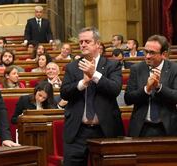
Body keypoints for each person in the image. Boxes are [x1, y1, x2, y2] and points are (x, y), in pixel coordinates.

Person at [60, 27, 124, 166]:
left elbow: (115, 89)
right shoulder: (72, 67)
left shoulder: (112, 65)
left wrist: (94, 75)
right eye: (81, 42)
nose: (83, 44)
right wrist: (82, 83)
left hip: (105, 130)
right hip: (77, 131)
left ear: (97, 44)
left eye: (87, 41)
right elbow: (64, 92)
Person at [124, 35, 177, 137]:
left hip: (168, 127)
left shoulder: (174, 69)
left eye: (152, 53)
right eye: (146, 51)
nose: (147, 56)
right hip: (141, 127)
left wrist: (159, 87)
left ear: (164, 54)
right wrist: (146, 89)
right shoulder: (136, 69)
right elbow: (128, 98)